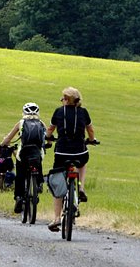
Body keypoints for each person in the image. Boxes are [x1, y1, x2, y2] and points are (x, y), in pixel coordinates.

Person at [46, 87, 97, 232]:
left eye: (62, 98)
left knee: (58, 186)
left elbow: (50, 130)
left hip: (61, 152)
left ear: (66, 99)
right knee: (83, 162)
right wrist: (92, 140)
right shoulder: (83, 112)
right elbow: (91, 130)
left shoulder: (58, 112)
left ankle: (56, 218)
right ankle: (81, 187)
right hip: (79, 151)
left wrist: (49, 139)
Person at [0, 102, 46, 213]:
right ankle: (39, 184)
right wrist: (48, 143)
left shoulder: (21, 123)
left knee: (20, 175)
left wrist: (2, 144)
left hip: (23, 153)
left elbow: (9, 138)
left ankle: (19, 197)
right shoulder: (41, 123)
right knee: (38, 162)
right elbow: (48, 137)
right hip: (37, 152)